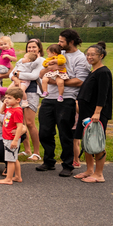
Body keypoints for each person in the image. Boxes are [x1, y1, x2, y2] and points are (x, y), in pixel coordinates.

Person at [36, 29, 91, 177]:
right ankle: (49, 161)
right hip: (48, 99)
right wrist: (49, 69)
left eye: (61, 41)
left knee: (65, 133)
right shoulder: (57, 53)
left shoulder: (81, 58)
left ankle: (68, 164)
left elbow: (80, 81)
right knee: (45, 131)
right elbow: (41, 73)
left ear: (71, 42)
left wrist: (57, 82)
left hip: (66, 99)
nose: (59, 43)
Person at [74, 42, 112, 183]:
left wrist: (97, 112)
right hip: (86, 113)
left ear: (101, 56)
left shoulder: (103, 72)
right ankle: (90, 170)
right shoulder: (93, 71)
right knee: (87, 142)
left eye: (93, 54)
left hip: (96, 114)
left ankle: (99, 174)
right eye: (87, 54)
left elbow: (103, 95)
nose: (89, 57)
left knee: (96, 142)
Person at [15, 39, 45, 160]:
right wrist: (15, 76)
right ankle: (27, 150)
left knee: (30, 122)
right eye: (29, 47)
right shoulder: (23, 59)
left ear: (39, 49)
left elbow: (34, 76)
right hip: (20, 91)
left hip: (32, 92)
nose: (31, 49)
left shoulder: (41, 61)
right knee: (20, 123)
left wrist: (18, 75)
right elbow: (12, 72)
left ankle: (36, 152)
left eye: (34, 47)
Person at [0, 88, 27, 184]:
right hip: (7, 137)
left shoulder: (17, 111)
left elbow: (19, 126)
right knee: (14, 158)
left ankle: (8, 179)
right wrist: (5, 103)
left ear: (18, 100)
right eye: (5, 98)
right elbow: (2, 112)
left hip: (11, 138)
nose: (6, 99)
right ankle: (18, 177)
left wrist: (15, 140)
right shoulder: (10, 107)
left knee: (10, 160)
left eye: (9, 98)